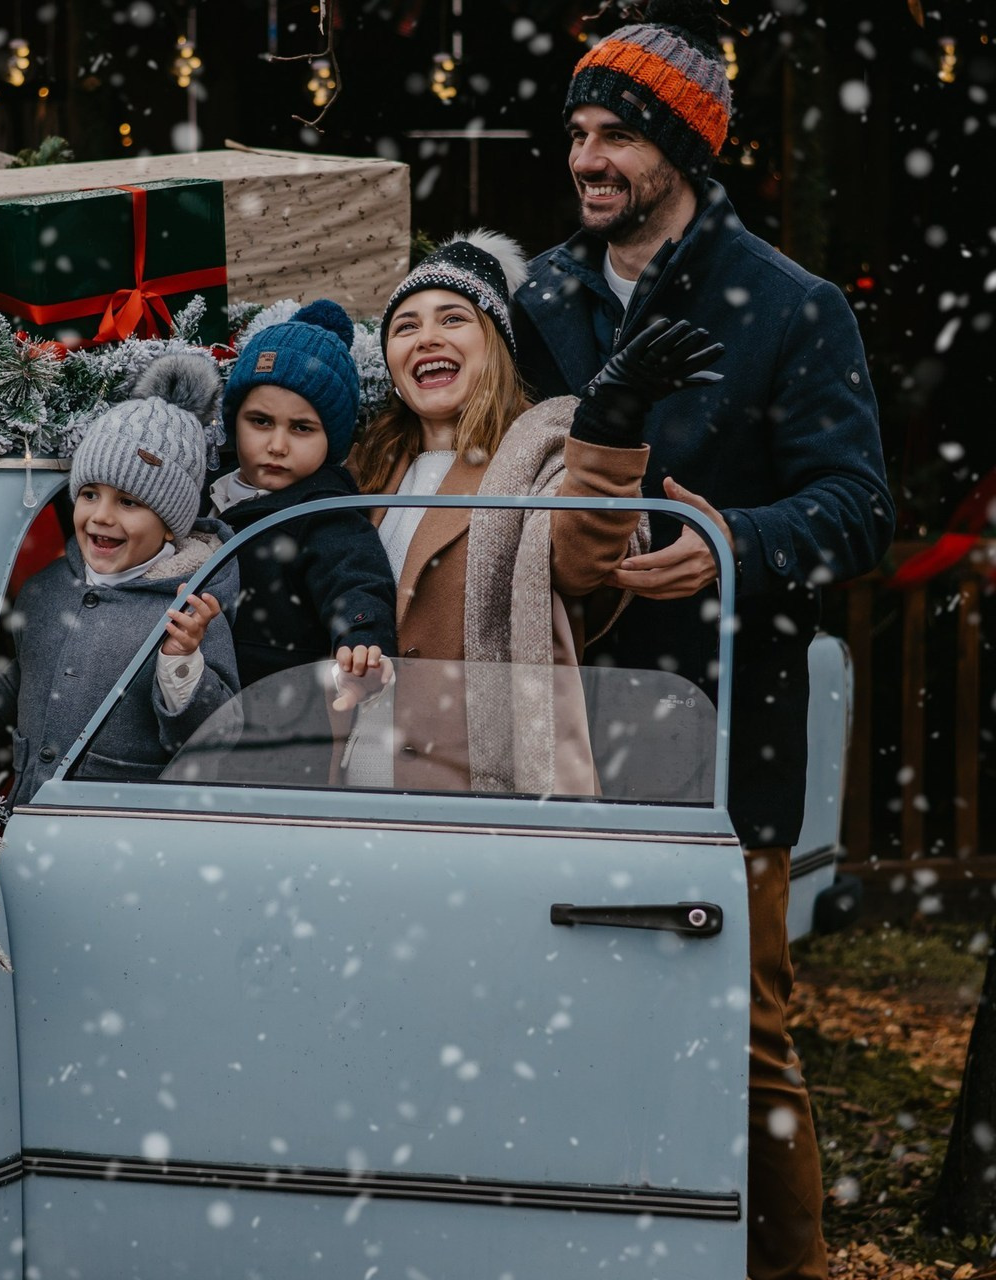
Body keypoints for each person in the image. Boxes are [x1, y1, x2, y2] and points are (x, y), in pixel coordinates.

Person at [510, 1, 896, 1275]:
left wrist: (731, 540)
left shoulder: (788, 307)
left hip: (734, 721)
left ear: (682, 148)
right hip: (555, 708)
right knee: (560, 1020)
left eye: (616, 134)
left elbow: (857, 510)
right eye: (576, 133)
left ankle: (786, 1263)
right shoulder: (542, 295)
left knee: (743, 1036)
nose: (587, 159)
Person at [345, 230, 723, 793]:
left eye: (452, 319)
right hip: (347, 788)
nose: (426, 338)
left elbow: (580, 560)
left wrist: (608, 428)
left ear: (494, 343)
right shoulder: (363, 471)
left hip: (473, 800)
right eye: (406, 326)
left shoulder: (539, 454)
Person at [0, 353, 240, 806]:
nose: (101, 516)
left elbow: (216, 739)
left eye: (129, 503)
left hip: (118, 832)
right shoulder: (46, 588)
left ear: (170, 523)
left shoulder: (190, 612)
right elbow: (26, 678)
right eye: (90, 494)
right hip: (28, 816)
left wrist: (181, 662)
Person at [211, 299, 397, 693]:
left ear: (332, 440)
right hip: (197, 704)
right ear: (234, 420)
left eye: (301, 428)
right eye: (260, 422)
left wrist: (361, 638)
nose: (277, 445)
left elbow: (355, 578)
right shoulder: (205, 496)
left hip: (280, 708)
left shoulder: (325, 512)